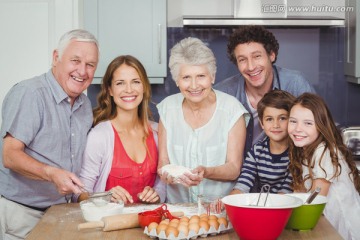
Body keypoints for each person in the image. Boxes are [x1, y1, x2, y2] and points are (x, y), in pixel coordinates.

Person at [0, 29, 99, 240]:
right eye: (75, 60)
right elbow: (9, 156)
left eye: (90, 64)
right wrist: (51, 173)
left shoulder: (84, 105)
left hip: (59, 213)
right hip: (20, 214)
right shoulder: (30, 93)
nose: (82, 71)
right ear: (56, 58)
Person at [157, 37, 250, 203]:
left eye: (201, 76)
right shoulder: (167, 109)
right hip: (177, 212)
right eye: (186, 77)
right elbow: (163, 162)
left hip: (219, 211)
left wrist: (206, 172)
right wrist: (168, 176)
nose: (194, 85)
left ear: (212, 77)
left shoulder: (232, 110)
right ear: (177, 81)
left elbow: (234, 168)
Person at [76, 55, 165, 204]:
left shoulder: (157, 132)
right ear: (110, 90)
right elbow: (78, 194)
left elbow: (162, 184)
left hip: (149, 226)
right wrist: (104, 196)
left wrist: (156, 194)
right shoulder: (99, 136)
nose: (129, 90)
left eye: (136, 82)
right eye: (120, 83)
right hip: (108, 223)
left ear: (144, 87)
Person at [214, 25, 315, 156]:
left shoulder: (295, 83)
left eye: (257, 56)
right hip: (238, 173)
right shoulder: (223, 93)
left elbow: (317, 131)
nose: (251, 67)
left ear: (271, 55)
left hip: (285, 170)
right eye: (242, 60)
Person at [288, 93, 360, 240]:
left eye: (308, 123)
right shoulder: (304, 148)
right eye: (293, 121)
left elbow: (315, 200)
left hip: (344, 230)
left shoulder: (325, 151)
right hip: (326, 224)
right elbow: (300, 192)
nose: (297, 128)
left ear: (321, 125)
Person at [231, 89, 295, 194]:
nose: (276, 125)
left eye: (282, 118)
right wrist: (227, 202)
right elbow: (243, 184)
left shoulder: (296, 153)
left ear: (292, 120)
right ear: (262, 123)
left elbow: (286, 191)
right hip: (262, 206)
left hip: (286, 206)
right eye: (269, 119)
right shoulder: (257, 151)